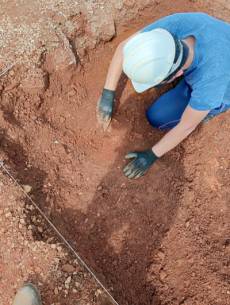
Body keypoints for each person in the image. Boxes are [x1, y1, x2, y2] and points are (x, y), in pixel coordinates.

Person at [97, 12, 230, 179]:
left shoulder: (210, 84)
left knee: (157, 117)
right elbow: (125, 47)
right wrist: (108, 93)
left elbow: (186, 126)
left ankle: (213, 110)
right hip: (220, 46)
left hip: (225, 86)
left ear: (177, 74)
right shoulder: (179, 24)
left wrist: (151, 155)